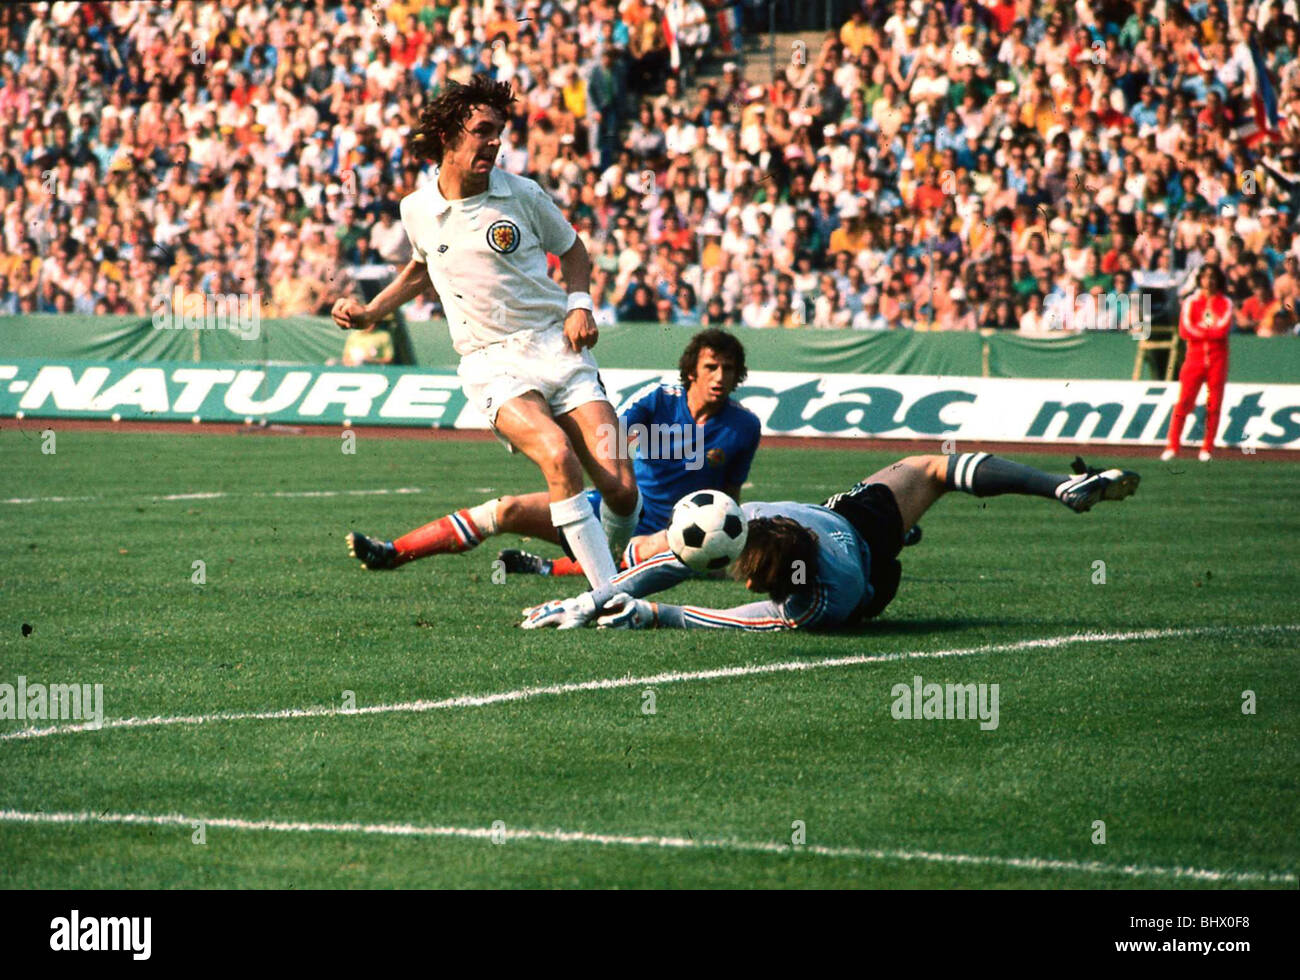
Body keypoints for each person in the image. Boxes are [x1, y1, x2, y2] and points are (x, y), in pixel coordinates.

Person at [330, 75, 640, 619]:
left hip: (556, 347)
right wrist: (371, 311)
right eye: (484, 131)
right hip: (490, 360)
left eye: (500, 132)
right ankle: (609, 598)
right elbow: (423, 267)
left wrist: (580, 304)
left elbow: (575, 252)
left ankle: (606, 566)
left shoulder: (521, 194)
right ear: (450, 136)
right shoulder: (417, 208)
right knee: (556, 455)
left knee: (620, 490)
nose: (495, 142)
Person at [522, 452, 1140, 631]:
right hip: (852, 516)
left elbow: (739, 619)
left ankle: (905, 538)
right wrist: (597, 597)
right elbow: (677, 558)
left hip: (869, 576)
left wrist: (654, 614)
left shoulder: (819, 603)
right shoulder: (749, 515)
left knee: (655, 560)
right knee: (932, 469)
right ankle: (1058, 486)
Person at [348, 330, 762, 578]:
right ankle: (393, 552)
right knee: (506, 510)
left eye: (728, 369)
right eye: (712, 367)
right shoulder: (659, 399)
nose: (720, 377)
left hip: (673, 531)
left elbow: (730, 494)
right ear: (692, 370)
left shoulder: (744, 426)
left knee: (632, 557)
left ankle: (549, 567)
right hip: (616, 508)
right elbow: (608, 436)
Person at [1162, 264, 1232, 462]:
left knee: (1214, 404)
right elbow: (1185, 330)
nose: (1209, 281)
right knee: (1184, 402)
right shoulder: (1191, 302)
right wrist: (1207, 332)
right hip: (1195, 359)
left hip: (1218, 359)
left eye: (1213, 277)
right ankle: (1173, 445)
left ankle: (1207, 447)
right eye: (1205, 276)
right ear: (1199, 279)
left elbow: (1222, 329)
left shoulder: (1224, 302)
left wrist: (1203, 331)